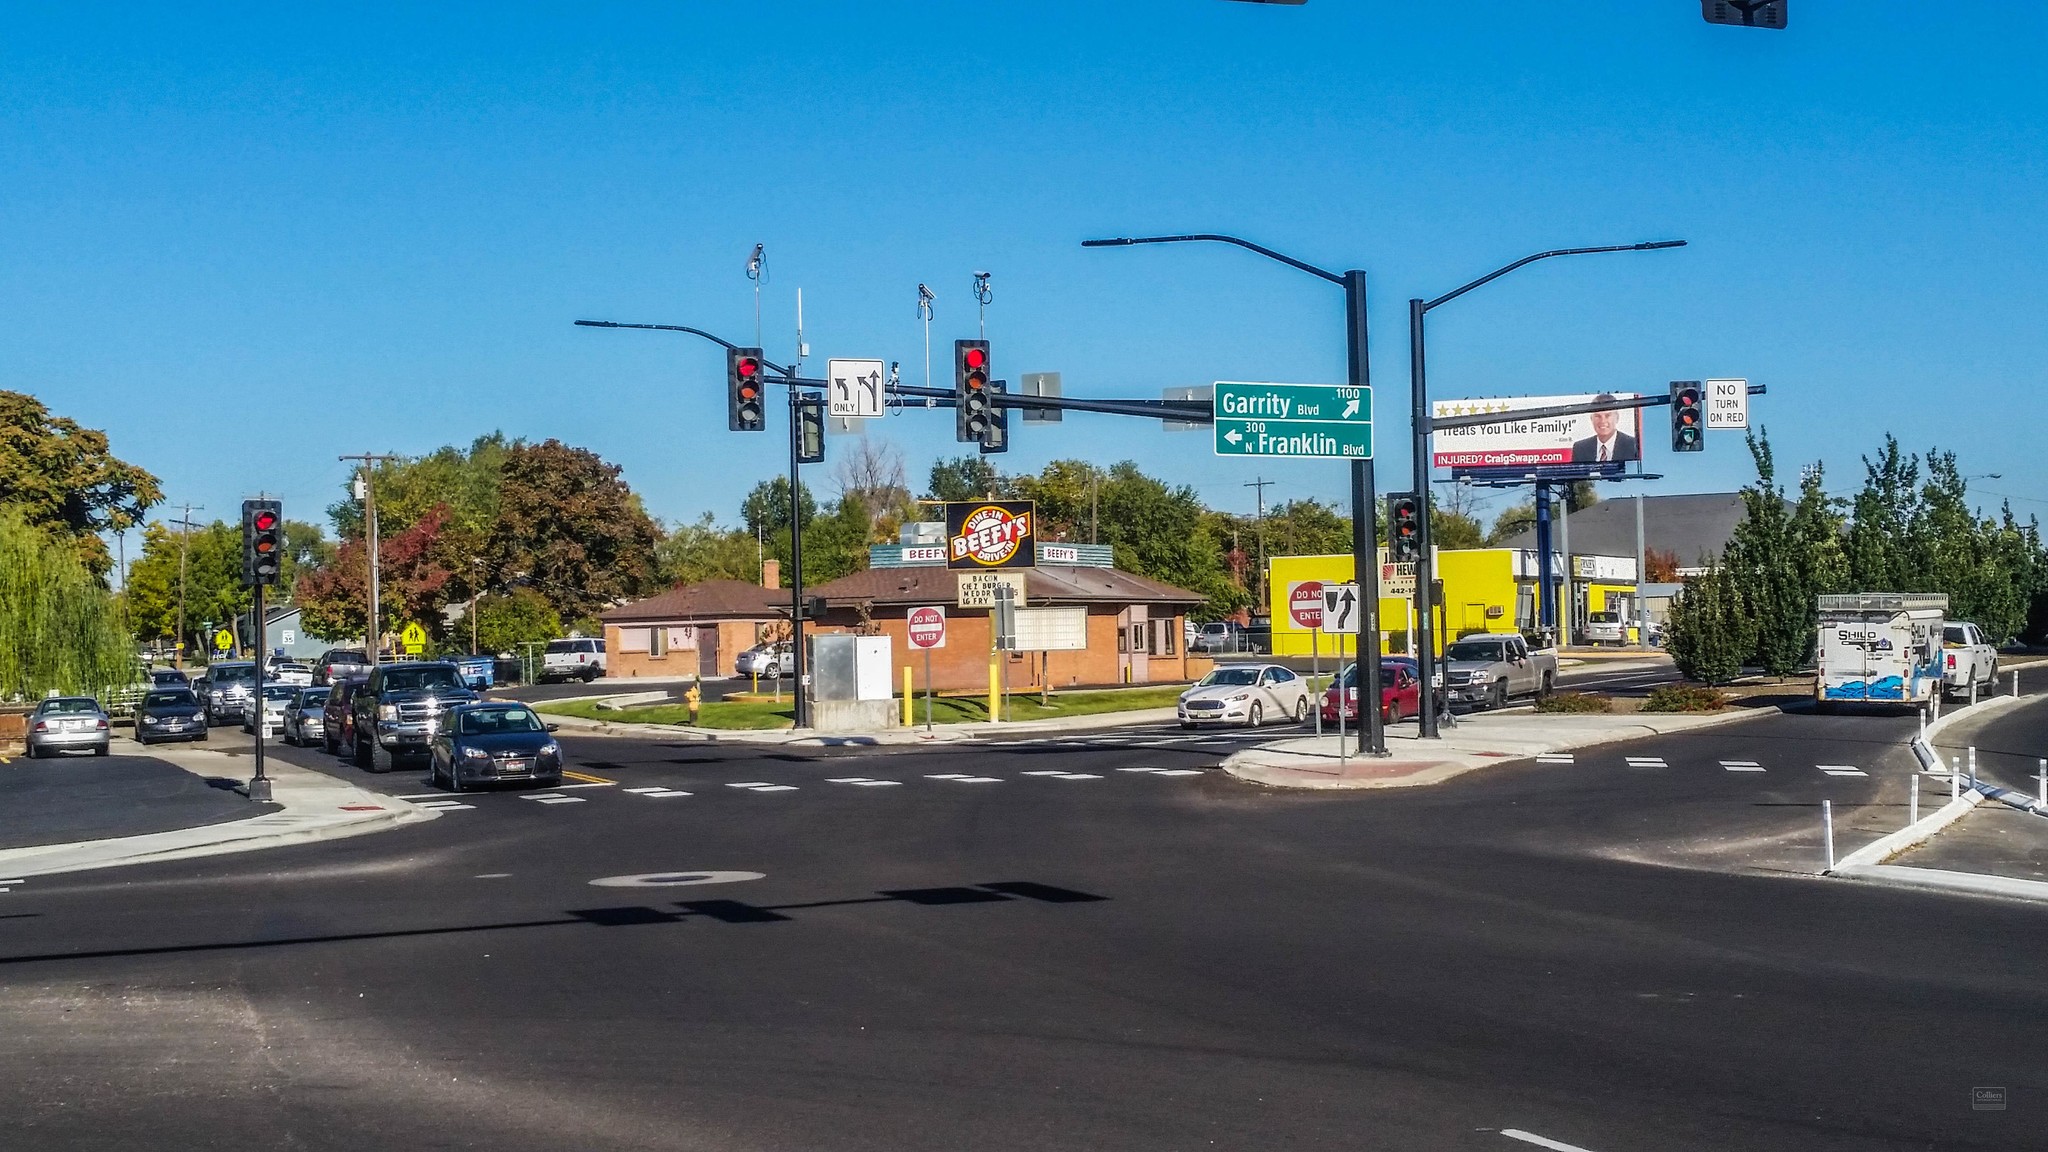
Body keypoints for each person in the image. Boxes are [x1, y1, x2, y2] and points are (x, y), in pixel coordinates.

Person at [1570, 397, 1638, 464]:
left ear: (1617, 417)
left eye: (1607, 416)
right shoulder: (1580, 448)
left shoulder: (1632, 445)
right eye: (1598, 416)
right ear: (1591, 419)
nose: (1603, 421)